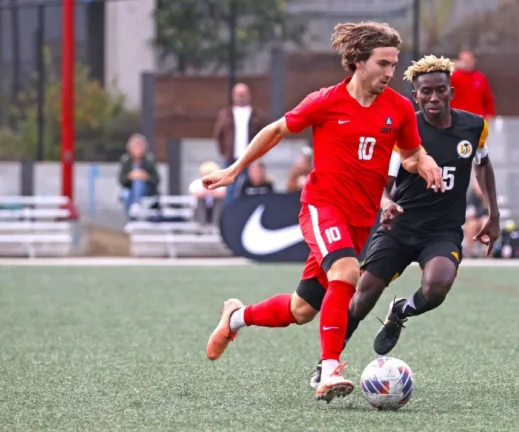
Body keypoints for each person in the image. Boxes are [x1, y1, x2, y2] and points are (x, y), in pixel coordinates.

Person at [200, 22, 444, 403]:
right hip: (322, 206)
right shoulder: (326, 101)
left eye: (394, 64)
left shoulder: (398, 108)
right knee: (346, 273)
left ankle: (235, 317)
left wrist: (424, 161)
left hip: (362, 219)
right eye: (383, 63)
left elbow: (410, 154)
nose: (390, 72)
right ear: (359, 62)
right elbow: (275, 130)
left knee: (302, 310)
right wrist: (234, 170)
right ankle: (328, 369)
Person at [308, 54, 502, 387]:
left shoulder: (474, 126)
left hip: (442, 230)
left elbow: (482, 164)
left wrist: (493, 214)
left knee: (437, 286)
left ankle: (400, 312)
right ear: (415, 95)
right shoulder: (402, 128)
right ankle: (328, 365)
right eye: (426, 92)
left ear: (451, 92)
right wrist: (384, 203)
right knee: (362, 295)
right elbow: (381, 184)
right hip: (399, 226)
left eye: (440, 91)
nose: (433, 98)